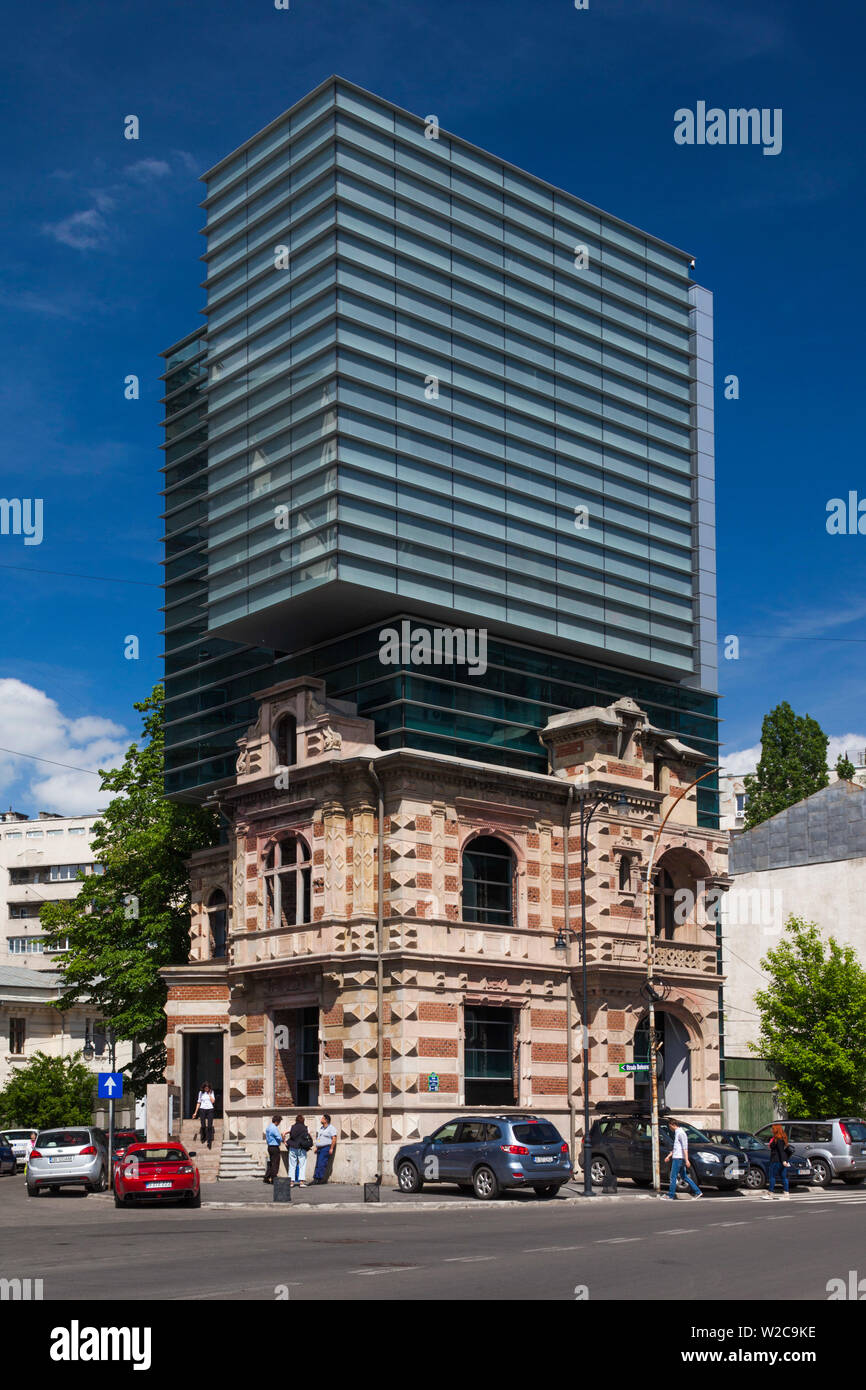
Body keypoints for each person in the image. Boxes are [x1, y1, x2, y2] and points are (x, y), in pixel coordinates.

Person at [663, 1118, 702, 1199]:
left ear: (673, 1125)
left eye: (670, 1126)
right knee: (684, 1177)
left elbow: (685, 1147)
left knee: (673, 1177)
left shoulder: (681, 1133)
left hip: (678, 1158)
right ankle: (697, 1191)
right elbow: (677, 1147)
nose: (670, 1128)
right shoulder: (678, 1133)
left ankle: (671, 1195)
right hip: (678, 1157)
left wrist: (687, 1159)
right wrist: (669, 1156)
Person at [764, 1124, 791, 1200]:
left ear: (776, 1130)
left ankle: (770, 1194)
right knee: (783, 1177)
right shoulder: (782, 1138)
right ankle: (786, 1194)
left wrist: (783, 1161)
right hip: (782, 1161)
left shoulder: (778, 1140)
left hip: (776, 1161)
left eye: (772, 1129)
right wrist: (784, 1161)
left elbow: (780, 1151)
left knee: (772, 1177)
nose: (771, 1130)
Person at [285, 1113, 313, 1186]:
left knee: (292, 1165)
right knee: (302, 1165)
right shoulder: (306, 1128)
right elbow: (309, 1136)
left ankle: (291, 1182)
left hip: (293, 1147)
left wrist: (285, 1142)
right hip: (302, 1148)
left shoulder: (291, 1127)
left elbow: (283, 1133)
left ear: (296, 1120)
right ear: (303, 1121)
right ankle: (301, 1182)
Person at [311, 1112, 337, 1184]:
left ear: (326, 1120)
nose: (321, 1119)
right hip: (319, 1148)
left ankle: (319, 1179)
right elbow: (319, 1138)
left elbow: (334, 1138)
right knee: (318, 1163)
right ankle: (316, 1177)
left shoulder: (331, 1128)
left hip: (326, 1148)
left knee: (322, 1163)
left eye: (322, 1118)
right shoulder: (321, 1128)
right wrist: (316, 1147)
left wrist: (331, 1148)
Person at [192, 1083, 216, 1148]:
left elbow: (213, 1101)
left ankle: (209, 1141)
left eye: (208, 1087)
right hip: (202, 1110)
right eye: (206, 1087)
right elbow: (198, 1102)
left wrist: (209, 1094)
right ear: (204, 1087)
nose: (207, 1089)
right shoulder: (200, 1093)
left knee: (210, 1126)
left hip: (210, 1110)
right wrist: (195, 1113)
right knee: (203, 1125)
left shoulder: (211, 1092)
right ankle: (204, 1137)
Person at [263, 1113, 284, 1184]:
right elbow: (279, 1137)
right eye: (279, 1122)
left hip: (270, 1146)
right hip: (274, 1147)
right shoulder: (274, 1128)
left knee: (271, 1163)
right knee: (275, 1163)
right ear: (277, 1121)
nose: (279, 1124)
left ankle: (266, 1177)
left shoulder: (268, 1127)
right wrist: (283, 1137)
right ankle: (274, 1178)